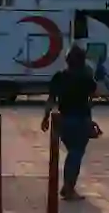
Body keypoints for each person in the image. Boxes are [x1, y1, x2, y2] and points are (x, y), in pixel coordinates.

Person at [42, 46, 100, 201]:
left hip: (63, 121)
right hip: (80, 121)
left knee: (72, 152)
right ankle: (69, 188)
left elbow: (51, 100)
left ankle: (68, 186)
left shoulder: (59, 77)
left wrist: (45, 118)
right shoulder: (85, 78)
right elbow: (94, 95)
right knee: (76, 153)